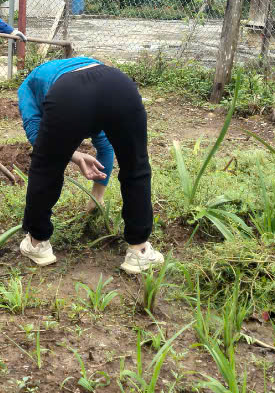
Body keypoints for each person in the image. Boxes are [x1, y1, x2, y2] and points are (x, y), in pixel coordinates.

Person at [15, 57, 165, 274]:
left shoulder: (27, 86)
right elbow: (106, 143)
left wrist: (96, 195)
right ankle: (139, 251)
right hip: (119, 84)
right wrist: (76, 157)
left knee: (46, 168)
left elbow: (40, 141)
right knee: (136, 166)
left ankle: (37, 245)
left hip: (69, 94)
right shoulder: (90, 68)